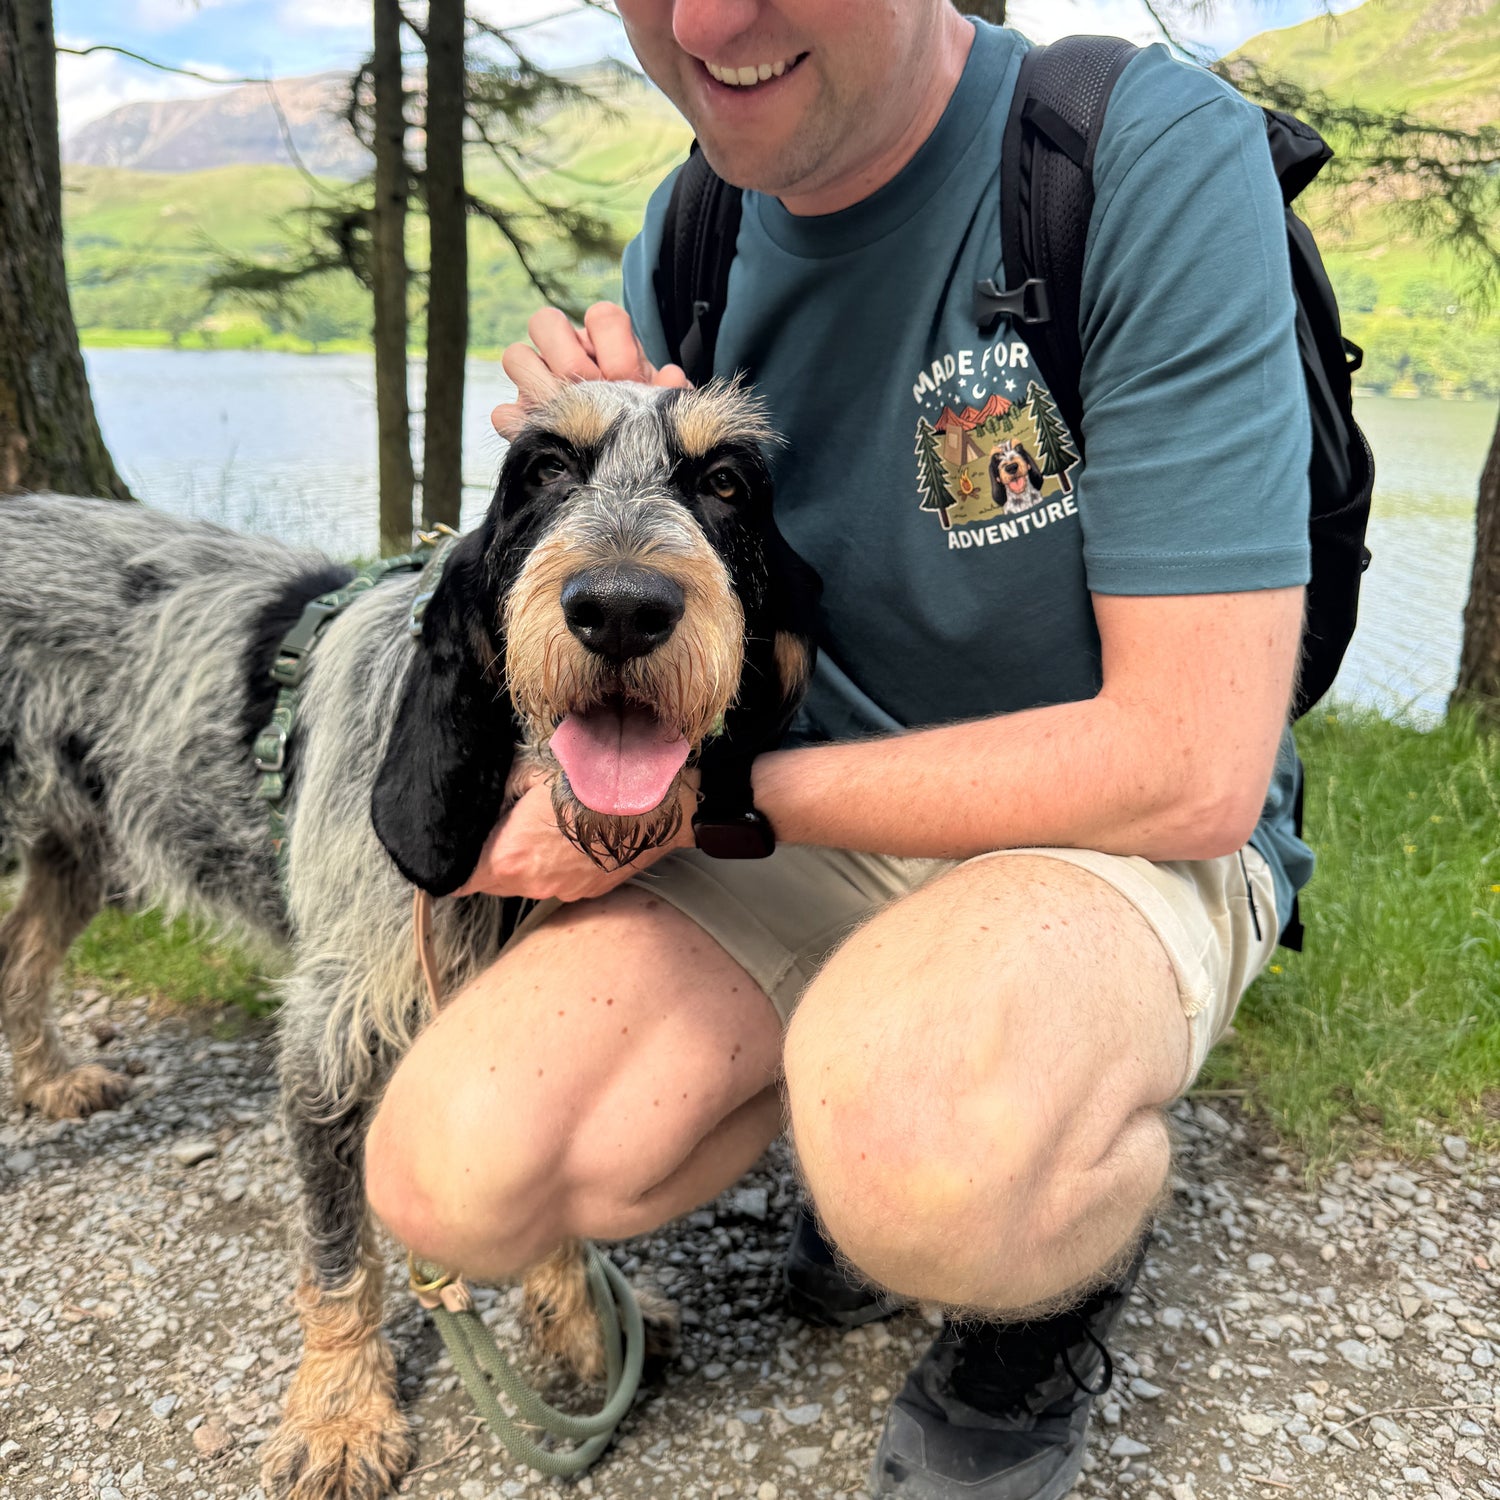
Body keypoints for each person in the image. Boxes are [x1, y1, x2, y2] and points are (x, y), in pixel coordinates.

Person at [365, 3, 1314, 1495]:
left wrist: (713, 809)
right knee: (451, 1170)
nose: (707, 23)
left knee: (920, 1145)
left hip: (1123, 833)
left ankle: (1029, 1293)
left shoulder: (1139, 163)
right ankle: (878, 1086)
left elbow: (1192, 760)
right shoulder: (692, 237)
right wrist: (603, 436)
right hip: (807, 827)